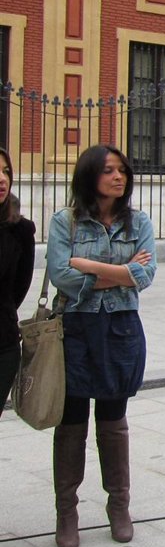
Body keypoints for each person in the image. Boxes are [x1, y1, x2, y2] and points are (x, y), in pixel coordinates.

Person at [46, 144, 156, 547]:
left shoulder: (138, 222)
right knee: (71, 420)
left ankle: (119, 506)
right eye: (109, 170)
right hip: (76, 328)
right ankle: (66, 513)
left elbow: (146, 275)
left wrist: (90, 266)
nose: (118, 177)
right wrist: (122, 272)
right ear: (89, 175)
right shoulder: (66, 222)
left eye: (122, 170)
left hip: (120, 329)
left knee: (113, 419)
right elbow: (61, 276)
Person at [0, 148, 36, 416]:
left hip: (3, 344)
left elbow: (19, 288)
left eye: (5, 171)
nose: (2, 178)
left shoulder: (20, 230)